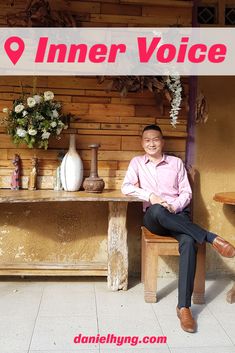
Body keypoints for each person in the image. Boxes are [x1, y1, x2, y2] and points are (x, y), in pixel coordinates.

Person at [121, 124, 235, 333]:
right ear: (142, 143)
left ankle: (184, 307)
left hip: (178, 215)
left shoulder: (175, 163)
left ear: (162, 141)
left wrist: (174, 205)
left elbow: (186, 193)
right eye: (147, 140)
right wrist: (152, 197)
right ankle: (210, 237)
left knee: (189, 242)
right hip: (154, 219)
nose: (151, 143)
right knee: (156, 210)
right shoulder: (137, 162)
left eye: (155, 139)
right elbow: (126, 187)